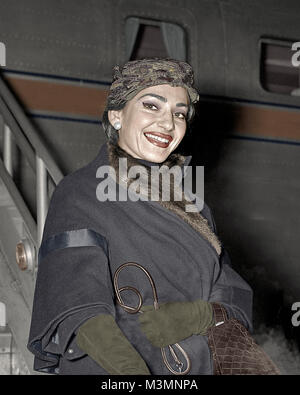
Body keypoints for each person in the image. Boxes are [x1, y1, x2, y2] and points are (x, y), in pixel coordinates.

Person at [27, 58, 253, 375]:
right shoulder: (80, 193)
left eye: (179, 113)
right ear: (117, 116)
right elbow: (77, 303)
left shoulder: (196, 208)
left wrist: (200, 315)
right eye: (151, 106)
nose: (168, 124)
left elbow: (232, 293)